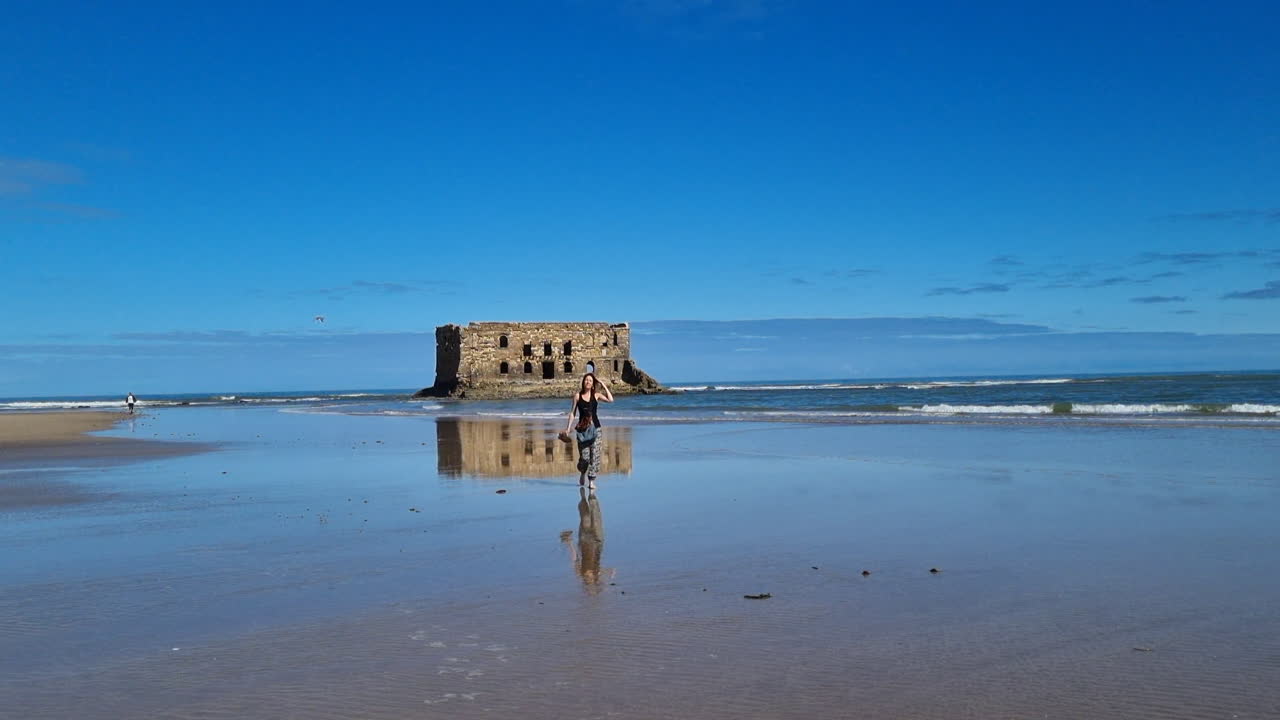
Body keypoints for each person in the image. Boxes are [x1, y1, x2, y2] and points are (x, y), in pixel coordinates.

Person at [563, 372, 613, 488]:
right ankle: (582, 472)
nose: (588, 382)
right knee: (584, 457)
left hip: (596, 429)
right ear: (583, 382)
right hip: (582, 430)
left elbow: (611, 400)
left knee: (595, 456)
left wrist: (603, 385)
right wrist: (568, 428)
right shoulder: (577, 396)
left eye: (590, 380)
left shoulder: (596, 395)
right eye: (586, 380)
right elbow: (572, 413)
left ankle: (591, 480)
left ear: (592, 383)